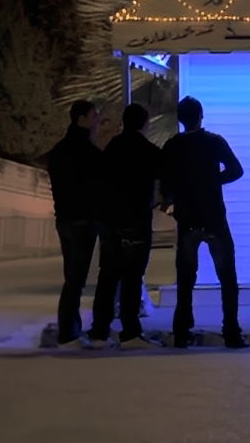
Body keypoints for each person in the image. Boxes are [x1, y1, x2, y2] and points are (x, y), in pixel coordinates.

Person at [161, 96, 248, 348]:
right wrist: (213, 181)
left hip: (187, 218)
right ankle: (231, 332)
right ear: (201, 116)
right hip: (214, 217)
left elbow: (165, 181)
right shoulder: (214, 141)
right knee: (227, 277)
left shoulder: (172, 145)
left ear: (180, 119)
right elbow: (236, 170)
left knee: (186, 278)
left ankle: (181, 331)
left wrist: (173, 196)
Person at [90, 104, 162, 350]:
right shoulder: (149, 151)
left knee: (108, 276)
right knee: (132, 276)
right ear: (145, 123)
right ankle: (130, 332)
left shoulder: (112, 148)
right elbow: (165, 175)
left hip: (110, 220)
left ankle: (100, 331)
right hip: (137, 221)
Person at [46, 100, 104, 349]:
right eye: (93, 116)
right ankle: (68, 332)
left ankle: (71, 327)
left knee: (71, 276)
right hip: (83, 220)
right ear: (81, 119)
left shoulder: (59, 150)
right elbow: (99, 186)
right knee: (75, 280)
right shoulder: (88, 152)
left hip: (64, 219)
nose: (97, 121)